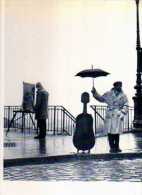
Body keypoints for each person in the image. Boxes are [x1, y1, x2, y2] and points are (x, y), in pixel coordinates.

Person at [91, 81, 128, 153]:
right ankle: (112, 147)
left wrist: (122, 112)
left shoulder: (123, 95)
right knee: (110, 132)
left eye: (121, 86)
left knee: (117, 132)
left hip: (118, 114)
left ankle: (117, 147)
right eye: (118, 86)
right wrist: (94, 93)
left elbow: (126, 104)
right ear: (114, 86)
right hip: (110, 114)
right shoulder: (108, 94)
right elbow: (101, 99)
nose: (120, 87)